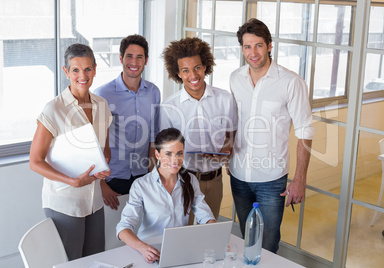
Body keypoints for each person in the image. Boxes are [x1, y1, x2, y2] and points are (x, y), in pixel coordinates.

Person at [229, 18, 315, 253]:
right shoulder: (235, 78)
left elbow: (305, 131)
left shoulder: (291, 82)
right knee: (247, 237)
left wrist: (299, 179)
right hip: (238, 174)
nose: (253, 52)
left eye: (258, 45)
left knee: (267, 244)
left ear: (269, 45)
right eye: (247, 46)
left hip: (271, 178)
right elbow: (235, 121)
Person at [29, 43, 112, 260]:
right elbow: (35, 161)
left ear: (95, 69)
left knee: (96, 259)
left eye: (87, 69)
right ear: (66, 72)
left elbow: (105, 149)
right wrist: (71, 181)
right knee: (71, 262)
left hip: (94, 201)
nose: (82, 75)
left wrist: (104, 166)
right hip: (65, 201)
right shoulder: (53, 109)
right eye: (75, 70)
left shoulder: (102, 104)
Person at [160, 37, 238, 224]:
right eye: (185, 70)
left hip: (215, 180)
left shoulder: (225, 99)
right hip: (183, 179)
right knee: (183, 234)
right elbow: (164, 149)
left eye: (197, 68)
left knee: (209, 235)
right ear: (178, 73)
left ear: (205, 67)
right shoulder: (169, 106)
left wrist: (226, 150)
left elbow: (231, 133)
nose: (193, 75)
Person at [116, 128, 216, 263]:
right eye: (168, 154)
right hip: (149, 250)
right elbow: (123, 228)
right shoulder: (141, 185)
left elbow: (206, 216)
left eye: (179, 153)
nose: (175, 160)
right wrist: (143, 248)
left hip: (180, 248)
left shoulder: (190, 180)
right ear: (157, 154)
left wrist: (215, 233)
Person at [95, 34, 161, 210]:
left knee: (141, 230)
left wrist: (152, 175)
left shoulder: (153, 92)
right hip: (113, 178)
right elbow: (93, 144)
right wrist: (101, 186)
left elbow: (153, 138)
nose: (134, 62)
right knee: (113, 233)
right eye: (129, 56)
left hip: (143, 176)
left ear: (146, 60)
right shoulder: (103, 94)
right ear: (120, 58)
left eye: (139, 57)